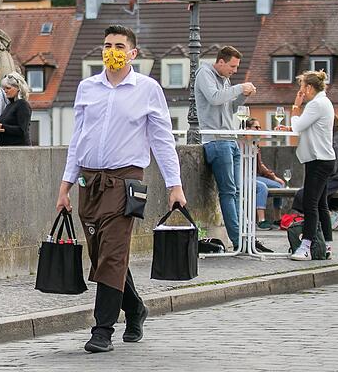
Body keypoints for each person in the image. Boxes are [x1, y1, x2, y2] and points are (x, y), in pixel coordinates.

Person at [56, 25, 186, 353]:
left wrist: (175, 185)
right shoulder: (88, 87)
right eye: (107, 45)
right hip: (90, 181)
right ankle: (136, 307)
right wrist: (65, 185)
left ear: (132, 53)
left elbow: (162, 140)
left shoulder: (147, 89)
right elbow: (78, 139)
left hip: (126, 182)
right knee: (102, 255)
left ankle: (102, 330)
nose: (111, 50)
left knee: (113, 252)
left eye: (118, 45)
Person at [194, 46, 257, 250]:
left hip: (230, 139)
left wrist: (243, 95)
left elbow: (229, 107)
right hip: (216, 140)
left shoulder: (225, 79)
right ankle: (239, 241)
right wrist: (239, 87)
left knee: (237, 191)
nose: (234, 70)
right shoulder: (205, 74)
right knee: (229, 192)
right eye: (232, 66)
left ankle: (244, 238)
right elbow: (214, 98)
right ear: (220, 62)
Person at [279, 71, 335, 261]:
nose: (300, 91)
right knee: (320, 204)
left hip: (318, 160)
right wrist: (294, 125)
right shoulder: (322, 102)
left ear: (309, 88)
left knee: (310, 203)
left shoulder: (316, 104)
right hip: (323, 159)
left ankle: (306, 246)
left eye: (301, 87)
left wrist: (295, 107)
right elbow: (307, 127)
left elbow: (298, 125)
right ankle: (326, 245)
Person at [245, 118, 285, 230]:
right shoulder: (242, 143)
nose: (259, 130)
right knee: (262, 187)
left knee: (279, 186)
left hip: (255, 176)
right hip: (243, 176)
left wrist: (274, 177)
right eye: (256, 127)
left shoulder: (255, 144)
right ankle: (261, 221)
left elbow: (260, 165)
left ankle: (277, 219)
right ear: (247, 129)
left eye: (260, 127)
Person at [0, 72, 32, 146]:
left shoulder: (22, 105)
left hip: (19, 149)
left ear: (18, 88)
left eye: (8, 88)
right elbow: (6, 131)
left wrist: (0, 126)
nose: (5, 91)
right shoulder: (9, 106)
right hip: (7, 148)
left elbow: (22, 130)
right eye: (4, 88)